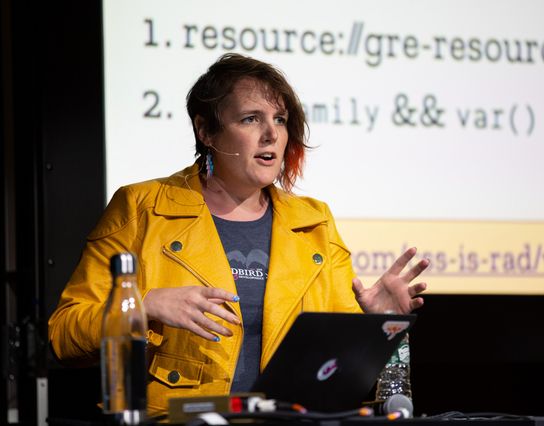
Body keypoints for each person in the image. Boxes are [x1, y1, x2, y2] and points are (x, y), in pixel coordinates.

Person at [48, 53, 429, 416]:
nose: (271, 135)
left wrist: (373, 325)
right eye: (250, 119)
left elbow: (340, 373)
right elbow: (63, 335)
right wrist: (143, 306)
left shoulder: (314, 222)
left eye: (280, 119)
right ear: (206, 130)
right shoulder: (141, 208)